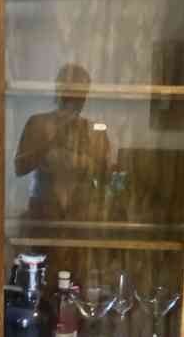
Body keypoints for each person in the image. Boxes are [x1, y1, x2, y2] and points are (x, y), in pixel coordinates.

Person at [14, 63, 111, 221]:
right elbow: (19, 168)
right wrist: (50, 142)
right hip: (44, 211)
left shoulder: (96, 131)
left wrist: (90, 160)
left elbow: (106, 179)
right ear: (57, 91)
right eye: (68, 94)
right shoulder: (37, 123)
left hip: (82, 213)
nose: (73, 101)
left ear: (86, 96)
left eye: (79, 96)